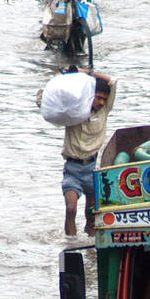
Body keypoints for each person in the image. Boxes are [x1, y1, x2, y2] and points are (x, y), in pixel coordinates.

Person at [54, 68, 114, 236]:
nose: (101, 102)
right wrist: (66, 75)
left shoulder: (104, 111)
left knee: (91, 215)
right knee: (71, 209)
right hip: (73, 168)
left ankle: (90, 251)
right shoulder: (73, 111)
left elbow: (112, 81)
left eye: (104, 99)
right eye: (98, 98)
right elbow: (46, 98)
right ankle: (71, 245)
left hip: (93, 168)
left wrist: (85, 72)